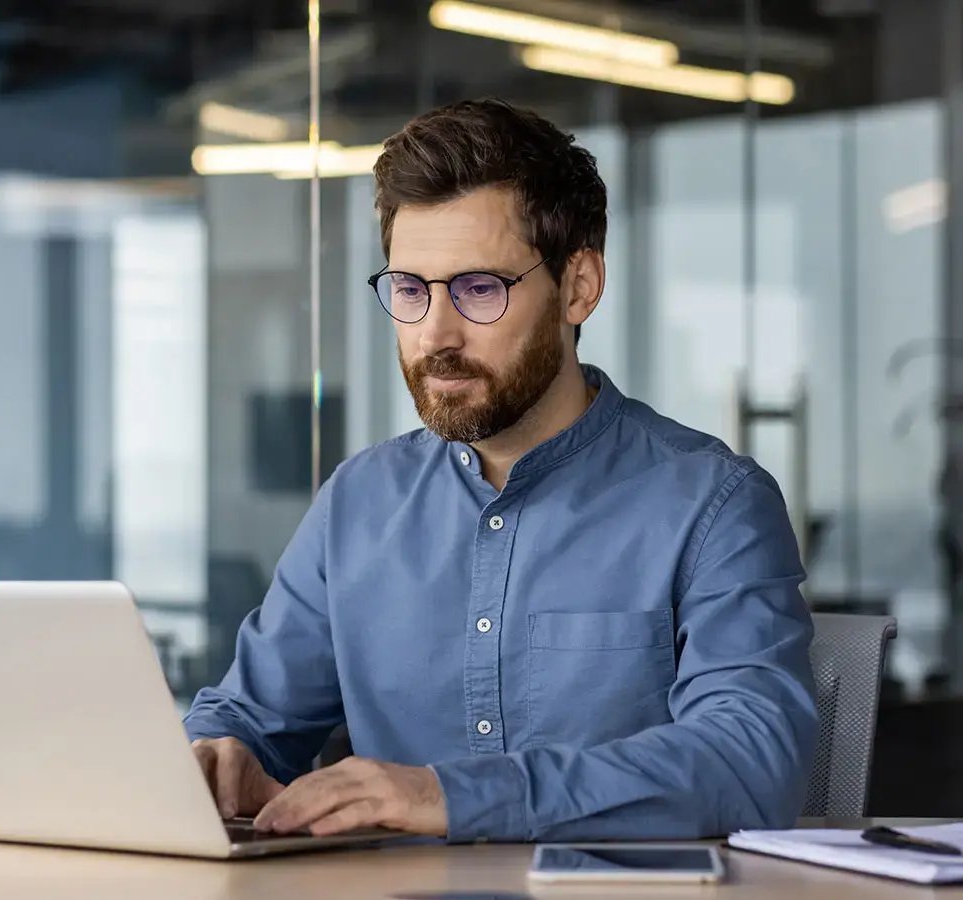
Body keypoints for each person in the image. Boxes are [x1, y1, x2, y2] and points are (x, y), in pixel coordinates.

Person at [183, 98, 817, 843]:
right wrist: (218, 760)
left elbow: (749, 764)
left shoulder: (714, 503)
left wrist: (449, 795)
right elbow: (250, 720)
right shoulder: (358, 504)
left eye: (480, 289)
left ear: (578, 287)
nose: (435, 335)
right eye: (410, 291)